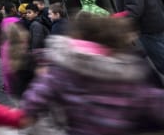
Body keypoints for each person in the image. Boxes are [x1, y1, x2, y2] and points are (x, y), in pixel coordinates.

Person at [21, 14, 164, 135]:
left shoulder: (62, 67)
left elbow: (34, 99)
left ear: (75, 35)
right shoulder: (124, 67)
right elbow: (151, 100)